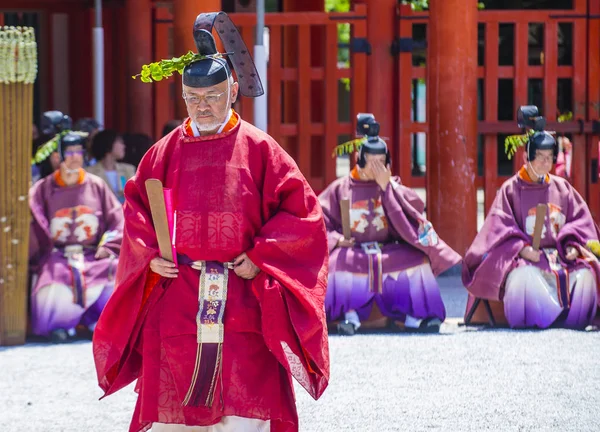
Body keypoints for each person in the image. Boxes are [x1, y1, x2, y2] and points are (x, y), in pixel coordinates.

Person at [93, 12, 329, 432]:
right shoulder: (162, 153)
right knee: (175, 407)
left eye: (213, 97)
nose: (202, 107)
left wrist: (262, 255)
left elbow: (303, 213)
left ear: (233, 91)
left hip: (242, 293)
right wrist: (149, 257)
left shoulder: (260, 149)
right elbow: (136, 209)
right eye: (192, 98)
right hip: (178, 291)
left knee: (244, 403)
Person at [319, 114, 462, 335]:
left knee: (417, 259)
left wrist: (387, 189)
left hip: (387, 249)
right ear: (360, 159)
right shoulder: (341, 188)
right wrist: (338, 239)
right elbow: (320, 221)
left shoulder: (391, 186)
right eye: (371, 162)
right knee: (339, 261)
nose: (376, 167)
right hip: (353, 249)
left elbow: (413, 210)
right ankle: (348, 316)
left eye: (381, 162)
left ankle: (417, 317)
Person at [462, 106, 600, 329]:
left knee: (586, 274)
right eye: (540, 158)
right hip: (528, 257)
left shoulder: (562, 187)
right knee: (523, 277)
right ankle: (540, 319)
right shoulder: (511, 189)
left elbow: (580, 221)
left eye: (549, 157)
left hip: (560, 256)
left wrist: (573, 244)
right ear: (527, 157)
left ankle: (573, 320)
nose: (546, 163)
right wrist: (521, 248)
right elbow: (499, 228)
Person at [29, 131, 124, 343]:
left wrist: (108, 246)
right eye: (69, 152)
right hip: (57, 254)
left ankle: (99, 322)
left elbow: (118, 218)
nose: (75, 157)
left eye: (78, 151)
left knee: (114, 269)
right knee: (53, 277)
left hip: (92, 252)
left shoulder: (96, 185)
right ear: (57, 157)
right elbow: (35, 221)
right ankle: (58, 326)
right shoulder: (43, 188)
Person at [86, 129, 136, 203]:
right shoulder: (89, 172)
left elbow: (134, 195)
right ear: (109, 143)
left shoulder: (129, 169)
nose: (124, 146)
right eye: (120, 142)